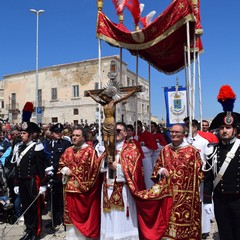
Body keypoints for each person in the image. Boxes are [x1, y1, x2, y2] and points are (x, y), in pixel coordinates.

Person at [101, 122, 173, 240]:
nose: (115, 133)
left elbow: (135, 170)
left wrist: (117, 167)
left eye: (118, 130)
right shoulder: (108, 148)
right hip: (107, 188)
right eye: (113, 131)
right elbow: (99, 166)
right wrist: (104, 163)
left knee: (122, 219)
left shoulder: (132, 148)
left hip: (124, 189)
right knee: (109, 218)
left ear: (125, 133)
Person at [152, 123, 203, 240]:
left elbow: (200, 173)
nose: (174, 134)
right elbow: (156, 168)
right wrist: (161, 170)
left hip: (187, 196)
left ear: (183, 134)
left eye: (177, 132)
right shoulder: (165, 150)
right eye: (172, 132)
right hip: (168, 194)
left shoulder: (192, 151)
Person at [58, 126, 103, 240]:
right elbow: (61, 164)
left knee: (84, 222)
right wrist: (64, 170)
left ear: (83, 137)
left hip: (84, 193)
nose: (74, 138)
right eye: (73, 135)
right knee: (71, 223)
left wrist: (86, 186)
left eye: (77, 136)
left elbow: (95, 171)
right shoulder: (68, 150)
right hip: (69, 192)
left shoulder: (90, 151)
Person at [203, 111, 240, 240]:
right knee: (225, 234)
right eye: (222, 128)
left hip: (238, 200)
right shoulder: (213, 150)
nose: (224, 131)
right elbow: (208, 178)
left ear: (235, 130)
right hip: (221, 200)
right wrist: (207, 200)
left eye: (228, 128)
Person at [87, 86, 141, 163]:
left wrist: (133, 92)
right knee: (105, 140)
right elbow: (97, 99)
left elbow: (124, 98)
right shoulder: (103, 104)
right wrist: (90, 95)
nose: (103, 98)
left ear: (107, 97)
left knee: (112, 141)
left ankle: (112, 154)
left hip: (112, 122)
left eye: (104, 97)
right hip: (105, 123)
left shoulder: (113, 102)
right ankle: (108, 154)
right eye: (102, 97)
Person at [12, 122, 47, 240]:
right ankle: (29, 230)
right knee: (25, 207)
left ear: (31, 135)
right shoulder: (19, 147)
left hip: (33, 181)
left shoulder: (37, 147)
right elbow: (17, 167)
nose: (21, 135)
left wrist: (43, 184)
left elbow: (41, 167)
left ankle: (35, 232)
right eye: (21, 133)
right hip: (22, 182)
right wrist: (16, 183)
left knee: (34, 208)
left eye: (24, 133)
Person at [184, 119, 214, 239]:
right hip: (186, 178)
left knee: (201, 202)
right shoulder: (184, 141)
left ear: (195, 127)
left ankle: (204, 229)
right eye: (186, 126)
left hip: (199, 177)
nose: (187, 129)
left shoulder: (203, 142)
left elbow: (209, 159)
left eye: (189, 126)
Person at [44, 123, 72, 228]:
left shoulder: (65, 143)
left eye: (60, 132)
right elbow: (45, 157)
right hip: (50, 176)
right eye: (56, 132)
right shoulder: (46, 143)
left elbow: (66, 159)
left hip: (61, 175)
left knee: (63, 199)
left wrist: (54, 168)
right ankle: (55, 220)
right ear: (51, 133)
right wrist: (46, 169)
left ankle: (65, 220)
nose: (59, 134)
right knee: (53, 199)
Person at [134, 120, 158, 189]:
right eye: (135, 128)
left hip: (146, 159)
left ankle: (149, 189)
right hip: (136, 160)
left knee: (147, 176)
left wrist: (138, 147)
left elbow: (151, 148)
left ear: (141, 127)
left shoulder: (148, 134)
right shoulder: (134, 135)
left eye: (138, 127)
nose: (137, 130)